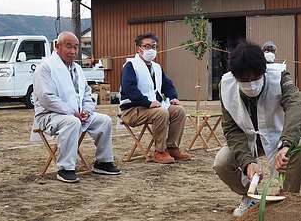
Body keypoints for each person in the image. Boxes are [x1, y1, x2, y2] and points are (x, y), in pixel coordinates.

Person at [213, 41, 301, 217]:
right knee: (222, 162)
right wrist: (247, 161)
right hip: (248, 139)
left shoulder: (279, 76)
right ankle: (250, 196)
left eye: (255, 78)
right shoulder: (226, 86)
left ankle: (288, 198)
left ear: (264, 71)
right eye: (244, 80)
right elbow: (231, 129)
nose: (251, 84)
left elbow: (295, 106)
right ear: (235, 76)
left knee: (299, 149)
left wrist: (286, 144)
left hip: (277, 135)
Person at [33, 31, 120, 183]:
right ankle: (65, 168)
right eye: (68, 47)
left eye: (75, 47)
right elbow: (47, 98)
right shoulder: (45, 67)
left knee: (104, 120)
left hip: (77, 114)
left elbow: (86, 93)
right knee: (72, 122)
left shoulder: (77, 69)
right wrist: (72, 112)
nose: (73, 51)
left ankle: (103, 162)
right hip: (49, 115)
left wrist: (86, 110)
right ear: (57, 46)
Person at [119, 33, 189, 164]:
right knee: (161, 112)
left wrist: (173, 97)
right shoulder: (130, 65)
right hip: (132, 110)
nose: (150, 49)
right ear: (139, 49)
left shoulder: (157, 67)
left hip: (152, 107)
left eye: (154, 46)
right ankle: (160, 151)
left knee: (179, 111)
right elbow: (130, 89)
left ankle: (172, 147)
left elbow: (168, 85)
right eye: (146, 46)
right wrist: (147, 103)